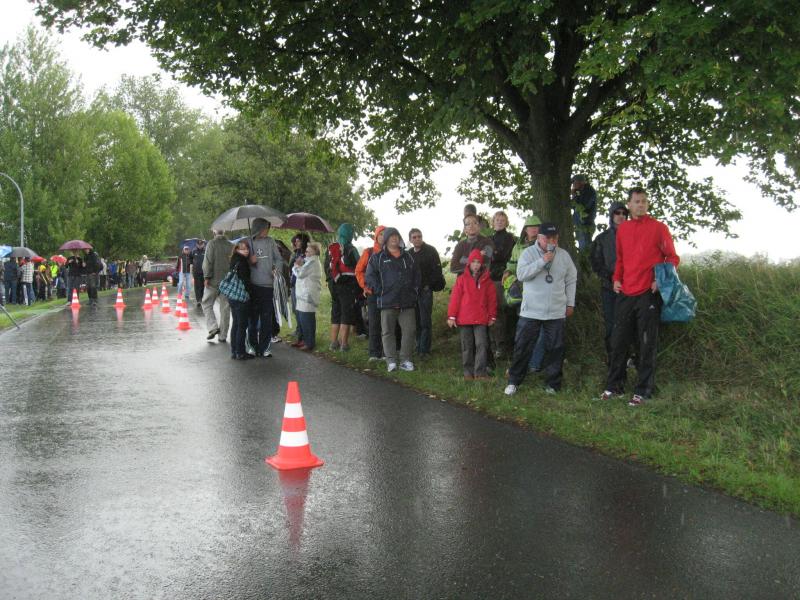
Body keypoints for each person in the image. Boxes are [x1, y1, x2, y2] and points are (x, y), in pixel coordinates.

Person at [600, 187, 679, 406]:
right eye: (637, 201)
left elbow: (672, 258)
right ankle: (614, 387)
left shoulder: (659, 228)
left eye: (644, 201)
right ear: (629, 204)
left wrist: (660, 280)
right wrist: (616, 278)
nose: (641, 204)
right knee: (618, 341)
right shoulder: (623, 229)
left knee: (646, 343)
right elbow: (621, 259)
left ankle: (643, 391)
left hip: (648, 293)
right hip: (625, 292)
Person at [504, 223, 577, 395]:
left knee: (556, 348)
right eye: (547, 238)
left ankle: (553, 384)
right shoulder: (528, 253)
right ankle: (514, 381)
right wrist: (542, 261)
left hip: (556, 310)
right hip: (531, 310)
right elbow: (521, 275)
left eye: (554, 238)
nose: (551, 242)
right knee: (522, 347)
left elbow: (571, 279)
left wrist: (570, 303)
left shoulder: (564, 255)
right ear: (539, 238)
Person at [365, 227, 421, 372]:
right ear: (386, 240)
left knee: (410, 331)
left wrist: (414, 291)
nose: (394, 238)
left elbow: (417, 275)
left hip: (406, 301)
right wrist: (380, 290)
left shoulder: (408, 257)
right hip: (387, 301)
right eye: (391, 236)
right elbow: (369, 276)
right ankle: (391, 361)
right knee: (387, 332)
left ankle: (405, 360)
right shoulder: (378, 257)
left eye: (397, 236)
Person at [503, 214, 547, 372]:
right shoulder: (518, 246)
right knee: (523, 329)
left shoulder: (545, 244)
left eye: (536, 227)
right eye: (530, 227)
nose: (534, 229)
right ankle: (522, 362)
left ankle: (534, 363)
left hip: (541, 292)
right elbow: (512, 264)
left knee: (540, 329)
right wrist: (507, 272)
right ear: (525, 229)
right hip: (522, 293)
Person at [447, 249, 497, 380]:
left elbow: (492, 300)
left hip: (481, 318)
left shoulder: (487, 280)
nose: (476, 265)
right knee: (467, 346)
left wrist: (492, 316)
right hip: (464, 318)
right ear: (469, 263)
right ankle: (468, 373)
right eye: (473, 262)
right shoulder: (461, 279)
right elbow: (455, 299)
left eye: (478, 262)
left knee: (482, 345)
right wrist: (452, 316)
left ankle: (480, 373)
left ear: (481, 264)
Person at [590, 202, 630, 361]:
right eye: (617, 213)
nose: (621, 216)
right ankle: (613, 358)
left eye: (624, 213)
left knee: (629, 324)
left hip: (632, 287)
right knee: (611, 324)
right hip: (609, 288)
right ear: (611, 215)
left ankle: (629, 357)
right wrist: (612, 278)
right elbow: (596, 263)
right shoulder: (602, 239)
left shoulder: (633, 236)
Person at [247, 217, 285, 358]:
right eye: (265, 229)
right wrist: (249, 260)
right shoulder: (247, 242)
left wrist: (277, 270)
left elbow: (278, 259)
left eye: (267, 229)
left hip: (268, 286)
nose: (267, 231)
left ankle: (265, 348)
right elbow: (238, 260)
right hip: (252, 286)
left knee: (266, 318)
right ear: (258, 228)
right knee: (252, 318)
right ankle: (252, 346)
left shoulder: (270, 241)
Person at [408, 228, 445, 356]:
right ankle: (418, 346)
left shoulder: (430, 250)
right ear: (410, 240)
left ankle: (425, 350)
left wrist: (428, 285)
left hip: (425, 291)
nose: (417, 239)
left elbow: (437, 271)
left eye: (419, 236)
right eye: (414, 237)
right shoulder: (409, 254)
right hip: (413, 292)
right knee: (416, 321)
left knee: (425, 321)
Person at [324, 223, 360, 352]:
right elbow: (359, 266)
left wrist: (331, 281)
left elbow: (326, 267)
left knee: (336, 312)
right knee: (346, 314)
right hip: (348, 286)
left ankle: (333, 343)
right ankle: (344, 344)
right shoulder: (351, 249)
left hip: (334, 285)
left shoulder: (331, 249)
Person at [355, 225, 386, 361]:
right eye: (381, 234)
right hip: (373, 293)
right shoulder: (368, 252)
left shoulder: (392, 252)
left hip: (389, 294)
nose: (383, 237)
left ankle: (386, 353)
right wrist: (365, 286)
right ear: (376, 236)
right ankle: (374, 353)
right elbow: (358, 270)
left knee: (388, 324)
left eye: (385, 234)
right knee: (374, 323)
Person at [488, 211, 515, 358]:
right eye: (497, 219)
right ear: (493, 222)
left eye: (502, 220)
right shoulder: (490, 238)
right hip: (488, 278)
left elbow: (503, 256)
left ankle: (502, 346)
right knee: (490, 312)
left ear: (506, 222)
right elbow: (486, 257)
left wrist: (493, 254)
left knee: (501, 311)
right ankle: (493, 344)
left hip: (502, 279)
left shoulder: (509, 238)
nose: (499, 222)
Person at [202, 229, 233, 343]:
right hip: (228, 282)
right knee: (225, 309)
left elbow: (208, 261)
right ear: (224, 232)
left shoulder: (211, 244)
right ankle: (223, 336)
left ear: (214, 232)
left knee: (206, 303)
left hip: (213, 281)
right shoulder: (231, 245)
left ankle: (213, 327)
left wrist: (206, 276)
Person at [292, 242, 323, 351]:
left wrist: (296, 266)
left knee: (307, 319)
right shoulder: (309, 262)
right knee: (301, 318)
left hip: (308, 295)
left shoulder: (313, 262)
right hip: (303, 295)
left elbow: (300, 274)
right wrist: (300, 266)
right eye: (306, 251)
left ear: (315, 252)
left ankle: (309, 343)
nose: (305, 253)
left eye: (308, 251)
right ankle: (302, 340)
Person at [228, 240, 254, 360]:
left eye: (247, 248)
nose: (246, 251)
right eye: (243, 249)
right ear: (237, 249)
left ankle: (234, 351)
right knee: (242, 325)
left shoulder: (234, 259)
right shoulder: (242, 262)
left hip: (232, 296)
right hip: (241, 297)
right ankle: (240, 352)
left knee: (236, 324)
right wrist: (251, 293)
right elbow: (245, 280)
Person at [289, 233, 310, 338]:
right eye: (295, 241)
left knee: (300, 308)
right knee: (294, 308)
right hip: (293, 283)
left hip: (301, 285)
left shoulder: (306, 254)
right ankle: (299, 329)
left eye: (298, 241)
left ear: (303, 241)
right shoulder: (296, 253)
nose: (296, 243)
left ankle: (302, 331)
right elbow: (291, 267)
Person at [571, 174, 598, 252]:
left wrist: (575, 195)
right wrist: (574, 195)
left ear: (582, 182)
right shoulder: (580, 192)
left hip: (585, 224)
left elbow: (583, 206)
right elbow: (573, 206)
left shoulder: (589, 191)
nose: (573, 184)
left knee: (585, 248)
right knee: (582, 245)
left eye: (574, 182)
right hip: (579, 223)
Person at [190, 240, 206, 308]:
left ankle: (202, 298)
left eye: (201, 244)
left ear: (203, 244)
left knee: (203, 286)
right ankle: (198, 300)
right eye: (198, 244)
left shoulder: (206, 251)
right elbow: (190, 260)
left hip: (204, 272)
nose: (200, 245)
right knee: (197, 286)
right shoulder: (193, 251)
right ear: (196, 244)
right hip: (196, 272)